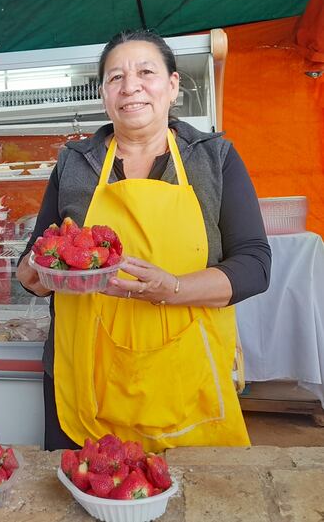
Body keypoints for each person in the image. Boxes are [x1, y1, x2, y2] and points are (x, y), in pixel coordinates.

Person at [16, 30, 271, 452]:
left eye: (145, 72)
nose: (130, 86)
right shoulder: (75, 163)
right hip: (85, 373)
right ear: (104, 94)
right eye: (115, 77)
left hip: (184, 373)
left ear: (172, 86)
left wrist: (172, 288)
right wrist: (36, 275)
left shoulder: (213, 157)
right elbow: (34, 264)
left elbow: (255, 265)